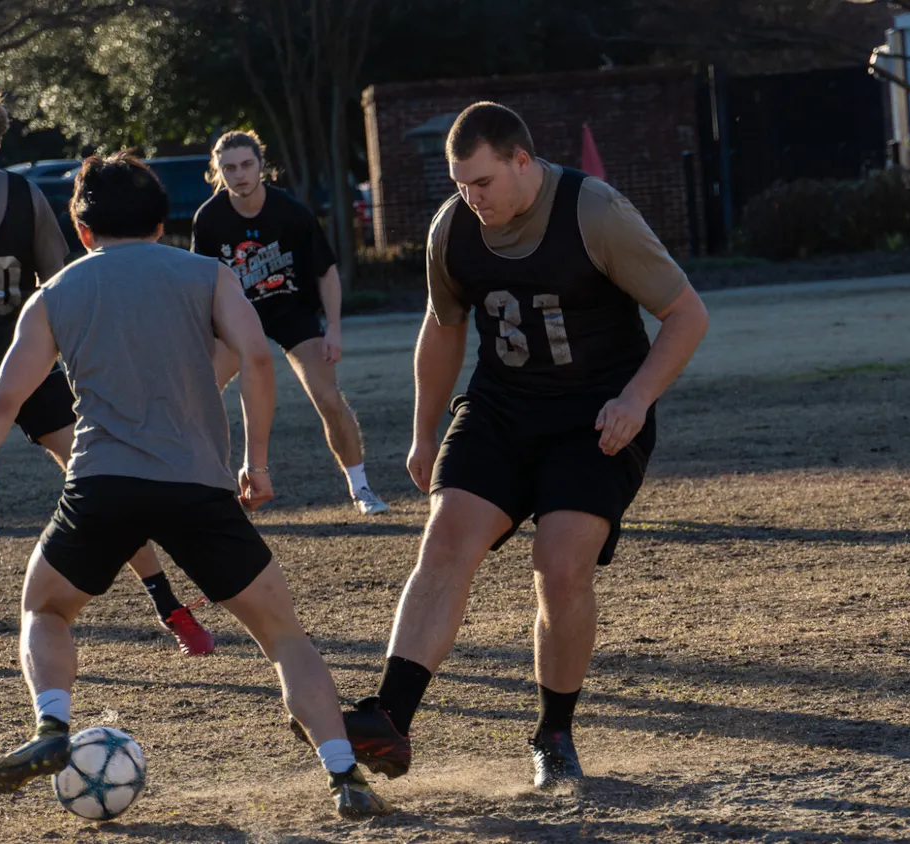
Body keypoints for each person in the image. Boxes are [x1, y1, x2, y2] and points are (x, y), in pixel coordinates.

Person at [0, 154, 391, 819]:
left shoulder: (57, 293)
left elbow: (1, 400)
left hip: (103, 485)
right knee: (285, 638)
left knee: (44, 608)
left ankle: (51, 728)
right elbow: (259, 356)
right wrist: (258, 460)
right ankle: (344, 776)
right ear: (163, 222)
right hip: (198, 488)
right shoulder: (208, 274)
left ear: (82, 227)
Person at [291, 102, 708, 790]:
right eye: (460, 183)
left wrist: (635, 399)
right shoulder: (452, 228)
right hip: (501, 410)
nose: (470, 197)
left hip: (596, 417)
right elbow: (443, 325)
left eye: (482, 182)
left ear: (522, 161)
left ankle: (554, 735)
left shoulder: (594, 211)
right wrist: (425, 430)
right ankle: (390, 721)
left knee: (561, 563)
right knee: (447, 537)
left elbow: (686, 313)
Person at [0, 89, 212, 675]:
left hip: (27, 359)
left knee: (101, 477)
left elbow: (61, 283)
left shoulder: (26, 198)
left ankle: (169, 607)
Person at [192, 130, 387, 516]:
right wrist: (201, 338)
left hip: (292, 312)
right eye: (228, 168)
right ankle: (210, 489)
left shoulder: (292, 212)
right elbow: (201, 284)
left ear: (262, 166)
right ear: (218, 172)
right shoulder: (209, 219)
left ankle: (361, 488)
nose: (239, 174)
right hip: (237, 318)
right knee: (198, 396)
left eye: (247, 164)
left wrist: (333, 328)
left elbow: (326, 271)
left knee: (329, 398)